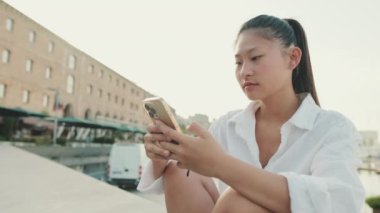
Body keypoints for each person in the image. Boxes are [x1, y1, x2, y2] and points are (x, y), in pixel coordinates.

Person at [137, 14, 365, 213]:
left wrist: (221, 165)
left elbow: (340, 203)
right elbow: (177, 178)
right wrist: (161, 155)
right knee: (178, 175)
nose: (244, 71)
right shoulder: (227, 125)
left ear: (293, 58)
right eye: (238, 62)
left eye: (255, 58)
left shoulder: (332, 127)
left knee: (239, 203)